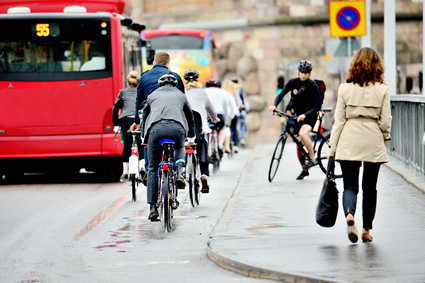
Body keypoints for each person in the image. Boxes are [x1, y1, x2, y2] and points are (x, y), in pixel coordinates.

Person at [327, 47, 392, 243]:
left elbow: (338, 121)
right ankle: (365, 230)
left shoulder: (344, 88)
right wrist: (384, 138)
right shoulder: (382, 89)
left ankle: (349, 214)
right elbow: (386, 121)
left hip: (349, 138)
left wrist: (333, 148)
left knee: (350, 186)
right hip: (372, 137)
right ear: (377, 66)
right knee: (370, 187)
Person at [140, 74, 195, 221]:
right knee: (179, 146)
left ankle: (152, 208)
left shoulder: (152, 95)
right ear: (175, 85)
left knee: (152, 167)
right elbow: (189, 116)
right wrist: (191, 135)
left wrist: (143, 136)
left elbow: (144, 116)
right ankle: (178, 173)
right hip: (177, 129)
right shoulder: (181, 96)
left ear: (159, 85)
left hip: (155, 130)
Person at [268, 60, 322, 180]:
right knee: (298, 145)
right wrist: (274, 105)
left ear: (310, 73)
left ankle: (313, 159)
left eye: (306, 73)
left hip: (310, 116)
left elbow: (317, 106)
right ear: (298, 72)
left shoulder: (313, 86)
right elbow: (281, 94)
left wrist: (305, 114)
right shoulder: (293, 82)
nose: (303, 75)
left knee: (303, 134)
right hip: (297, 117)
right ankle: (304, 169)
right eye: (302, 72)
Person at [131, 51, 185, 168]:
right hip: (173, 118)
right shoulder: (174, 76)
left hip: (151, 118)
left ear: (154, 62)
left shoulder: (145, 76)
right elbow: (182, 100)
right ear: (168, 64)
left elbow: (139, 101)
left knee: (147, 140)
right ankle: (176, 172)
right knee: (178, 144)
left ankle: (147, 168)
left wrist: (137, 122)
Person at [183, 69, 220, 193]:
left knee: (180, 145)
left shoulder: (182, 93)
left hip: (185, 130)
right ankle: (204, 175)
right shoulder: (202, 93)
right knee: (203, 148)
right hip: (200, 129)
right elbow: (211, 109)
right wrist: (215, 119)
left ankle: (182, 170)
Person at [112, 71, 144, 182]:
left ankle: (125, 173)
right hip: (138, 121)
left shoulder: (122, 92)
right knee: (140, 144)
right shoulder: (142, 92)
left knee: (127, 145)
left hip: (125, 121)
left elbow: (115, 108)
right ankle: (143, 167)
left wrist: (115, 124)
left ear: (128, 82)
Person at [204, 79, 228, 156]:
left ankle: (208, 149)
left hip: (207, 115)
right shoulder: (223, 92)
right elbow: (226, 108)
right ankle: (220, 144)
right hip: (219, 115)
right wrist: (226, 119)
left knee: (206, 131)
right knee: (222, 129)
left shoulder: (204, 91)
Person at [222, 79, 242, 153]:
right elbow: (239, 102)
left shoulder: (223, 92)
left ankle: (224, 144)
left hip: (225, 114)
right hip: (234, 113)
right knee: (234, 129)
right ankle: (236, 145)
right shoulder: (234, 92)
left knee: (225, 128)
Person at [231, 76, 250, 147]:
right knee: (241, 125)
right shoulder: (239, 90)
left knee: (234, 127)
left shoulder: (229, 90)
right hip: (240, 110)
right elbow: (243, 101)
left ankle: (235, 141)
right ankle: (242, 138)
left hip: (233, 112)